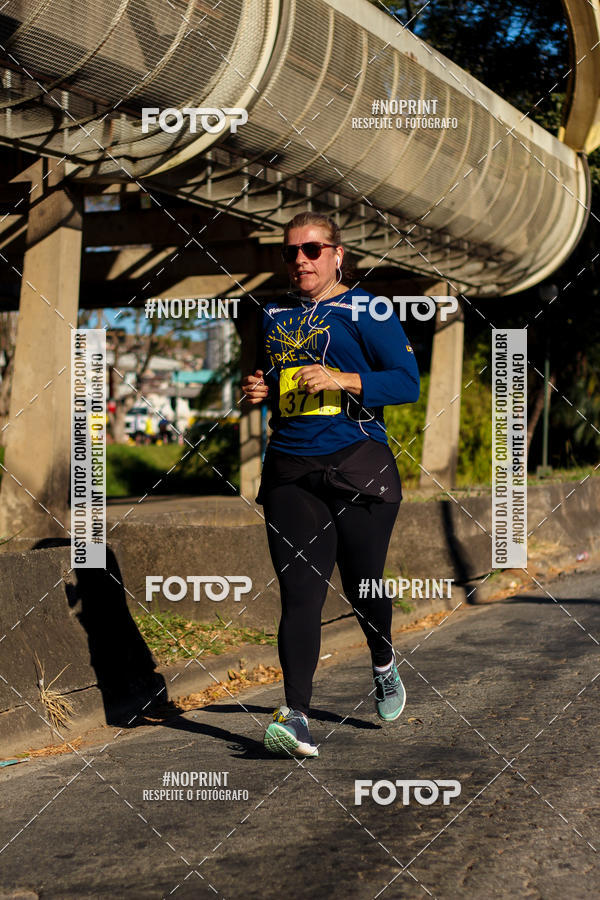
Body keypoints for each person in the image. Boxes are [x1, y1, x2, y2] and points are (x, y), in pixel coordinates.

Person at [241, 212, 420, 759]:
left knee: (364, 584)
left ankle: (384, 663)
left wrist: (343, 378)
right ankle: (295, 717)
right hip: (292, 468)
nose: (301, 259)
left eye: (313, 249)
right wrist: (254, 389)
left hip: (358, 463)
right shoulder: (270, 313)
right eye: (292, 251)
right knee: (301, 594)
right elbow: (263, 377)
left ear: (338, 255)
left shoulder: (368, 308)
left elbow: (406, 382)